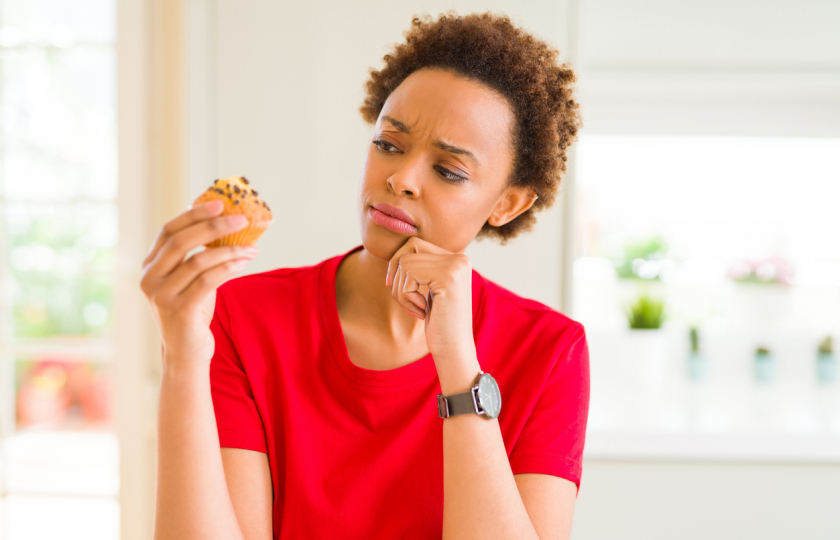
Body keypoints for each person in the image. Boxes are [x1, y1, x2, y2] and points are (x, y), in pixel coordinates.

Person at [141, 11, 588, 540]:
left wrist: (457, 364)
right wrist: (184, 358)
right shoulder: (240, 317)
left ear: (507, 203)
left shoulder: (550, 351)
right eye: (389, 145)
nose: (400, 178)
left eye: (449, 171)